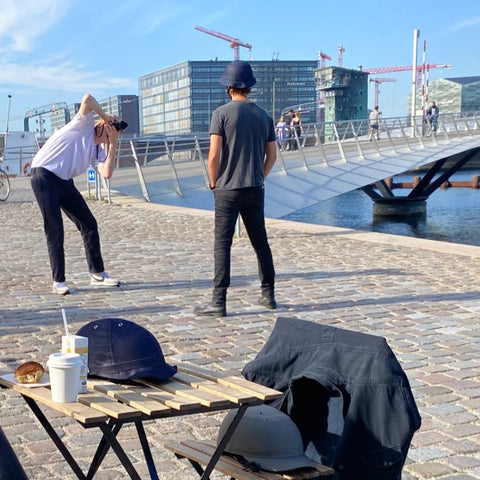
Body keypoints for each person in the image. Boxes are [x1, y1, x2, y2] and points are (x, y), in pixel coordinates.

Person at [194, 60, 277, 317]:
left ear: (228, 87)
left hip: (227, 190)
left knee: (222, 244)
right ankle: (269, 295)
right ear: (249, 87)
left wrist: (213, 181)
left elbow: (214, 154)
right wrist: (258, 176)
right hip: (254, 188)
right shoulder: (264, 116)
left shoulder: (221, 114)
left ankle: (218, 302)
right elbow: (272, 156)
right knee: (260, 242)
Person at [31, 93, 124, 295]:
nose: (112, 126)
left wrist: (113, 143)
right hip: (44, 176)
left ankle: (97, 274)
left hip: (64, 182)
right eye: (111, 123)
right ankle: (58, 281)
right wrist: (105, 115)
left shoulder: (99, 150)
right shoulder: (83, 125)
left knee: (89, 223)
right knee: (55, 228)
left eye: (115, 127)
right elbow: (87, 99)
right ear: (102, 122)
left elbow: (106, 173)